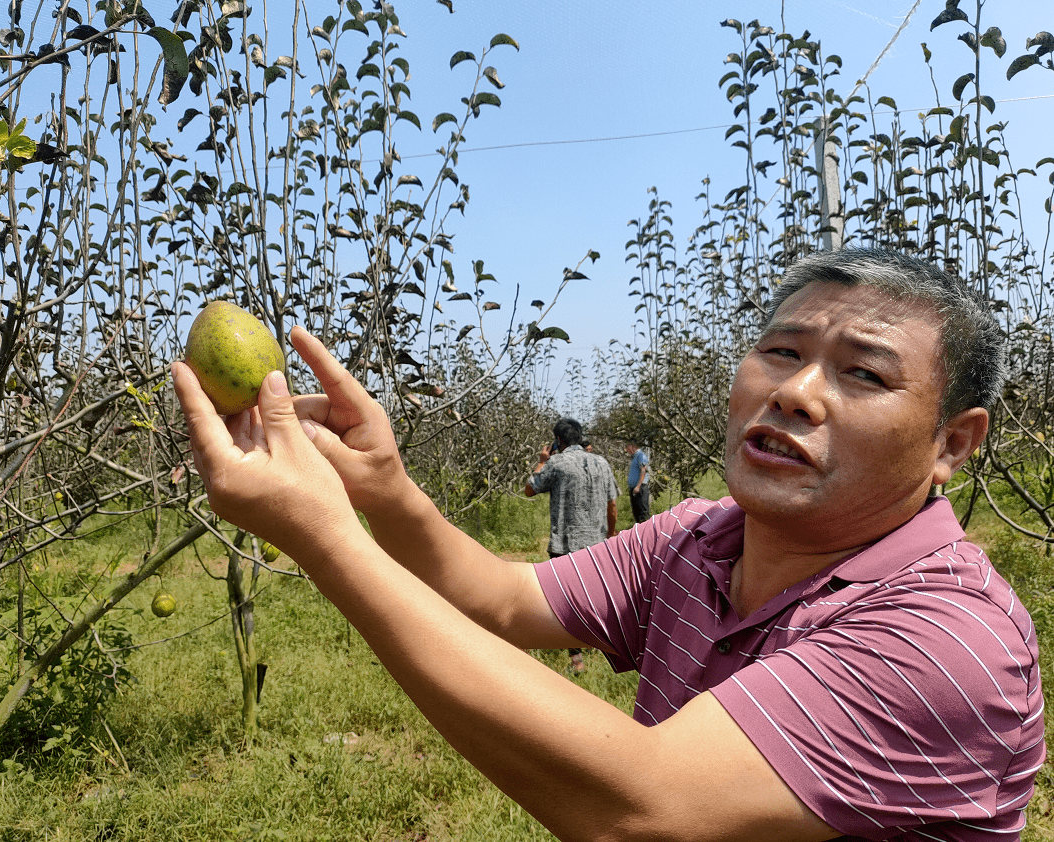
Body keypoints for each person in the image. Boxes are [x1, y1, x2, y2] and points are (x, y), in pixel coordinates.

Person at [173, 247, 1044, 842]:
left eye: (864, 372)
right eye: (781, 351)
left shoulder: (947, 639)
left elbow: (643, 808)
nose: (798, 393)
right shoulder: (697, 539)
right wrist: (385, 487)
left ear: (952, 444)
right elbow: (505, 599)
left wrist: (323, 535)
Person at [524, 419, 619, 673]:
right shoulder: (602, 463)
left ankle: (577, 659)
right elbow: (612, 505)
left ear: (559, 440)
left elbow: (529, 489)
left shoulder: (556, 463)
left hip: (565, 543)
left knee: (566, 600)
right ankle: (605, 646)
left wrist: (542, 459)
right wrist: (610, 534)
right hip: (597, 544)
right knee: (597, 594)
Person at [624, 439, 650, 523]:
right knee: (636, 512)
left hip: (640, 488)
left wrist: (638, 486)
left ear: (633, 446)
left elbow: (643, 471)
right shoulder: (634, 457)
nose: (626, 450)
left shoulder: (641, 455)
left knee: (642, 513)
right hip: (634, 488)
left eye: (627, 447)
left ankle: (647, 534)